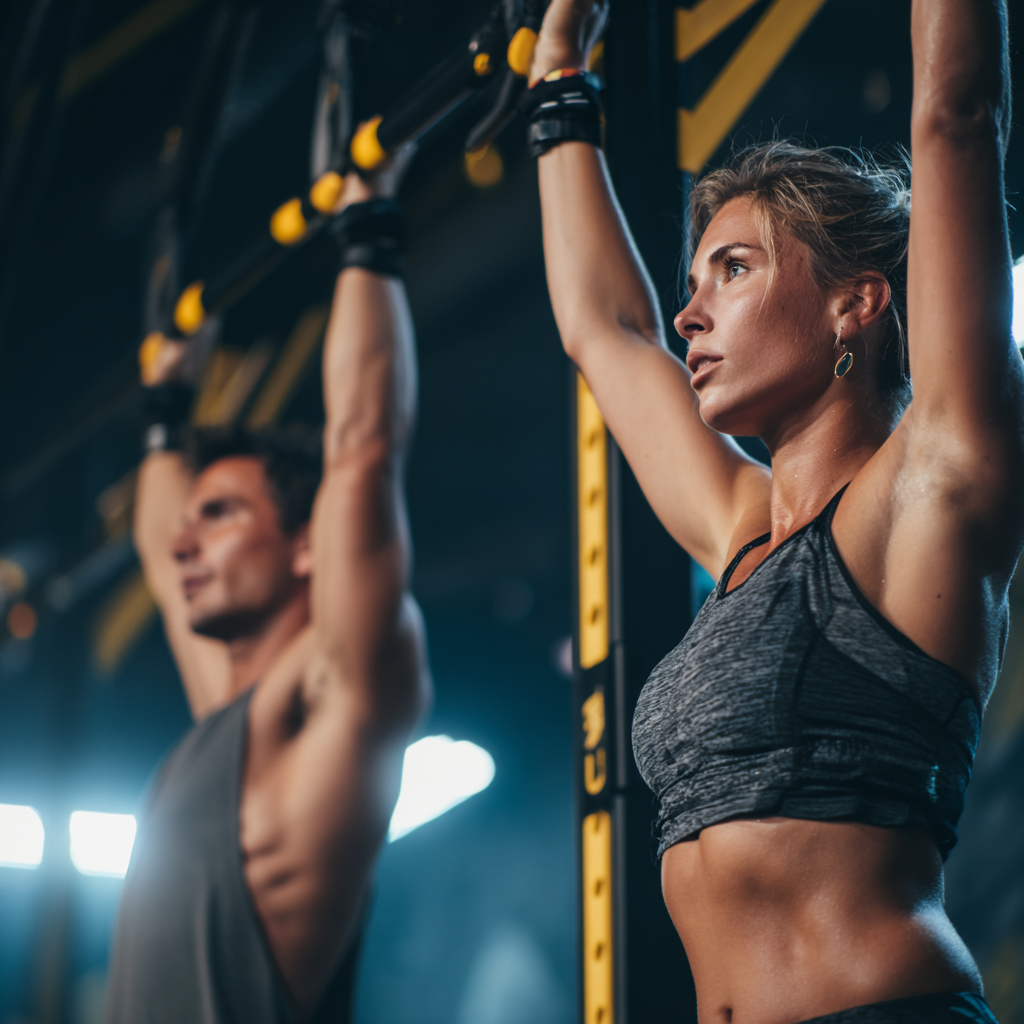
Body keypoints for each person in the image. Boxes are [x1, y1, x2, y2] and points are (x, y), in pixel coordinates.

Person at [530, 0, 1020, 1021]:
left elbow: (954, 116)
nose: (689, 311)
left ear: (859, 302)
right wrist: (560, 73)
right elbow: (606, 329)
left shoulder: (929, 484)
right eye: (695, 276)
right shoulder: (740, 528)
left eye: (735, 269)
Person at [105, 155, 431, 1024]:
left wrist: (366, 231)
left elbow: (364, 447)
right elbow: (157, 534)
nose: (185, 542)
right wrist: (166, 408)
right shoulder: (230, 711)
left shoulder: (329, 704)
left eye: (222, 516)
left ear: (304, 546)